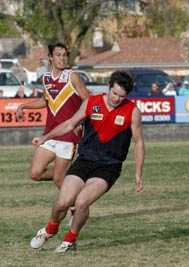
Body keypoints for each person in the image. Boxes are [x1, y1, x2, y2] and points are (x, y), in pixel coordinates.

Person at [30, 71, 145, 253]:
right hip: (84, 161)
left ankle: (70, 240)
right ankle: (50, 229)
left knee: (82, 202)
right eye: (114, 93)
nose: (116, 99)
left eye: (121, 96)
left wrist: (138, 173)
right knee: (63, 202)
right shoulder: (92, 102)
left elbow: (139, 143)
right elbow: (70, 124)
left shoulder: (133, 111)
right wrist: (46, 136)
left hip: (109, 167)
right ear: (109, 87)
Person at [16, 43, 89, 189]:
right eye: (58, 55)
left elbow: (89, 100)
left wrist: (80, 120)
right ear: (50, 58)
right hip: (50, 134)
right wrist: (23, 106)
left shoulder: (72, 77)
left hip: (69, 135)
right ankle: (71, 175)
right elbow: (47, 100)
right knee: (35, 173)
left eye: (65, 55)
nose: (62, 58)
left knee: (58, 180)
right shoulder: (46, 78)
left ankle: (77, 205)